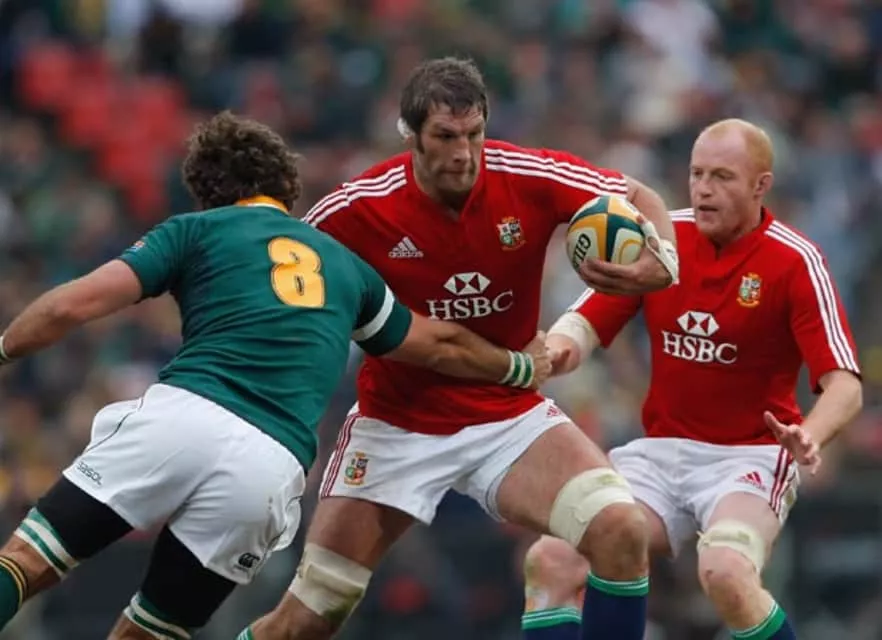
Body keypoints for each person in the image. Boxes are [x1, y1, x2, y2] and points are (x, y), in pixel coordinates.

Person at [0, 111, 553, 640]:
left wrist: (4, 350)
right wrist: (519, 365)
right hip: (271, 466)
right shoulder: (346, 266)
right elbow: (439, 343)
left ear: (209, 191)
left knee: (27, 561)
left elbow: (69, 306)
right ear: (286, 187)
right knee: (153, 629)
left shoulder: (197, 230)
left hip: (187, 413)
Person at [237, 57, 681, 640]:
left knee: (621, 529)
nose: (464, 154)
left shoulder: (526, 175)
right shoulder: (356, 207)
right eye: (446, 137)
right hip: (396, 425)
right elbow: (275, 276)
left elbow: (637, 194)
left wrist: (663, 259)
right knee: (308, 617)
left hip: (508, 414)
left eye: (474, 134)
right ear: (411, 136)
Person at [520, 118, 863, 640]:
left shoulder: (796, 260)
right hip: (660, 453)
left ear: (761, 186)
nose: (703, 188)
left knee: (725, 573)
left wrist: (810, 435)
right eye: (697, 174)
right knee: (551, 560)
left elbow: (845, 384)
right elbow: (584, 322)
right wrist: (556, 351)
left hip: (747, 458)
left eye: (722, 176)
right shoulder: (660, 239)